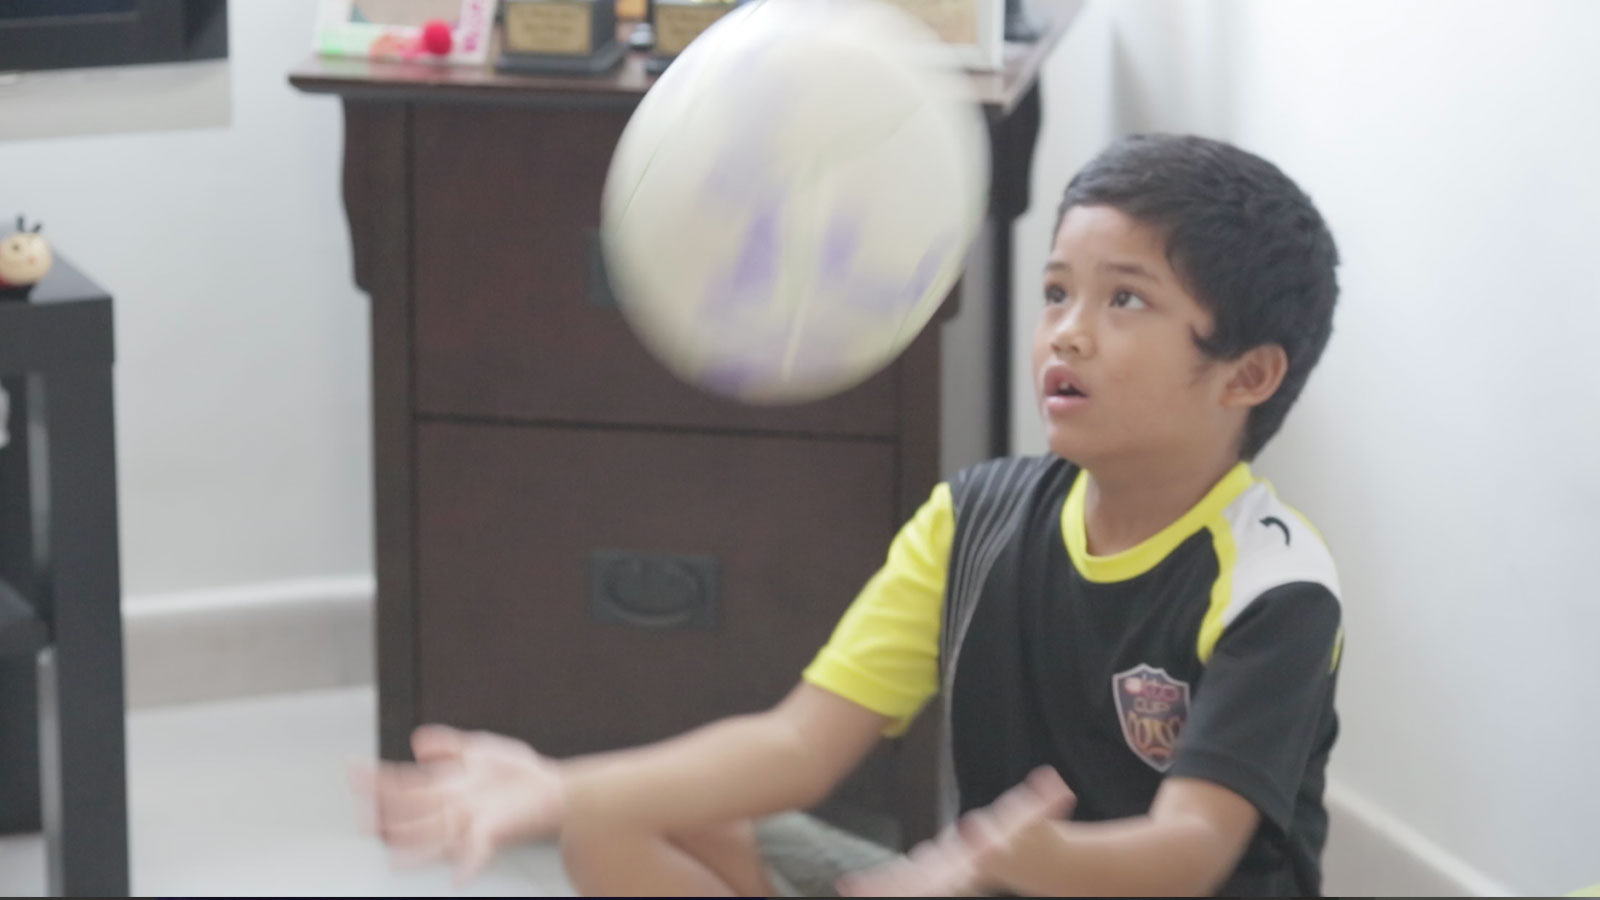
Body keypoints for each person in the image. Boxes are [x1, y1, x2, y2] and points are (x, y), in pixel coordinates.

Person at [352, 133, 1345, 897]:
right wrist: (566, 787)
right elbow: (795, 748)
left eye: (1125, 302)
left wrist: (1025, 860)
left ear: (1246, 374)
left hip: (1066, 879)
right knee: (617, 826)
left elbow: (1188, 853)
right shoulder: (974, 520)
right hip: (980, 878)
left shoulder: (1273, 585)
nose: (1067, 334)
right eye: (1055, 291)